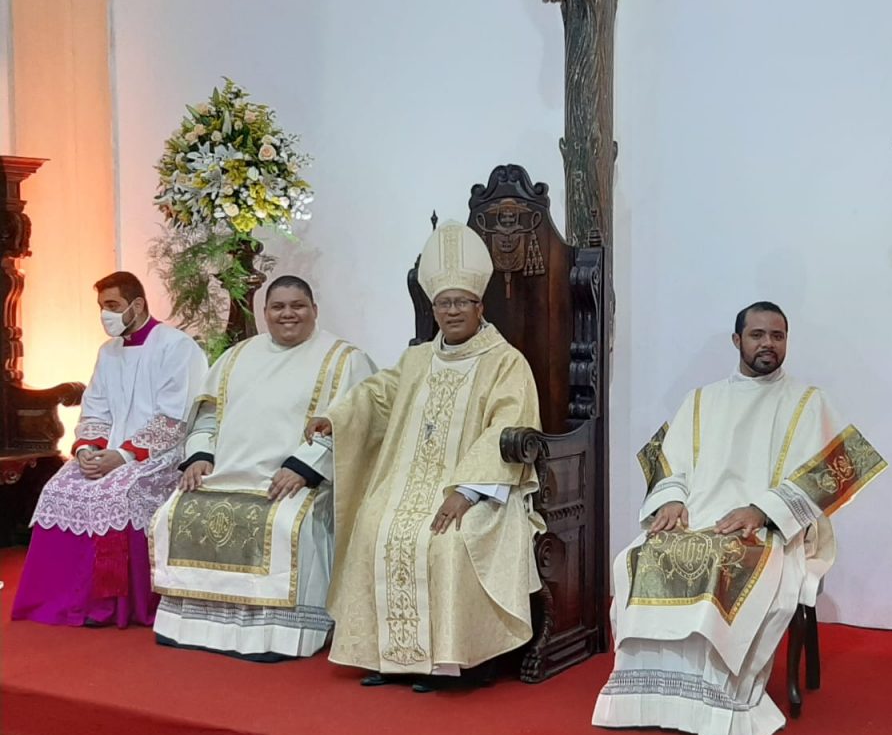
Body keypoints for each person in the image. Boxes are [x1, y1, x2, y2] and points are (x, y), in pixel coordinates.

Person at [592, 301, 887, 735]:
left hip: (770, 529)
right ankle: (650, 698)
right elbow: (668, 466)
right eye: (757, 335)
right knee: (640, 554)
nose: (768, 343)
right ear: (737, 341)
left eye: (777, 336)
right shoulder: (701, 400)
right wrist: (671, 500)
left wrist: (763, 510)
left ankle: (721, 702)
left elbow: (837, 468)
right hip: (700, 515)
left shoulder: (809, 401)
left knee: (728, 561)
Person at [306, 220, 544, 691]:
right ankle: (387, 655)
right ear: (432, 308)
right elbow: (379, 394)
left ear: (480, 305)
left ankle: (453, 661)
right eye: (443, 303)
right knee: (375, 521)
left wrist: (467, 490)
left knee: (450, 537)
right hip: (407, 482)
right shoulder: (418, 358)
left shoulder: (505, 361)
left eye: (461, 302)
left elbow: (510, 427)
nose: (452, 311)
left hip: (481, 490)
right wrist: (337, 417)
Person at [149, 275, 375, 660]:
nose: (288, 314)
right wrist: (201, 456)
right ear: (265, 313)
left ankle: (275, 636)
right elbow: (206, 419)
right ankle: (193, 624)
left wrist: (305, 467)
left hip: (296, 480)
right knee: (172, 511)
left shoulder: (345, 360)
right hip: (226, 474)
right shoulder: (237, 356)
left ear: (314, 310)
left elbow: (355, 424)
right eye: (278, 307)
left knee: (287, 521)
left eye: (297, 306)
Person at [12, 271, 207, 627]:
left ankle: (111, 606)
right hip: (110, 451)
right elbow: (96, 407)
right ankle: (64, 600)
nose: (106, 314)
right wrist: (88, 448)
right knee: (58, 488)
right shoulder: (108, 351)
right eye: (102, 307)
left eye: (113, 305)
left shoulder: (176, 346)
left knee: (119, 492)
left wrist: (125, 455)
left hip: (162, 453)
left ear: (137, 305)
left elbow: (176, 415)